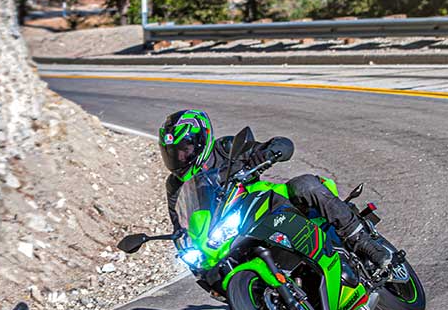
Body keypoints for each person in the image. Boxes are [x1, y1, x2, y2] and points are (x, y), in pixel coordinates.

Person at [159, 108, 393, 273]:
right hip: (228, 230)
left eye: (183, 149)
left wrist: (269, 152)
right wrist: (183, 243)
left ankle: (362, 241)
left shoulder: (227, 148)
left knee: (305, 184)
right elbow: (181, 224)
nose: (178, 157)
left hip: (267, 203)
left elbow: (282, 144)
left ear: (202, 140)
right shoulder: (175, 185)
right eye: (171, 152)